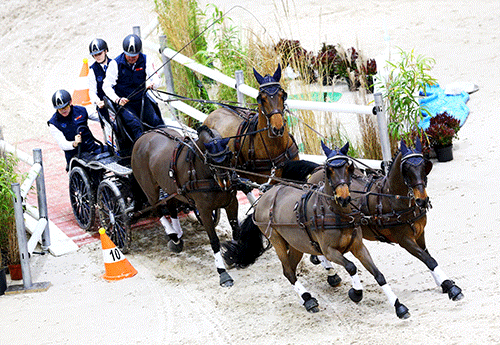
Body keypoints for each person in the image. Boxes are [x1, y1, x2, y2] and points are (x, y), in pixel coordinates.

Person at [103, 34, 165, 142]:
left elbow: (156, 77)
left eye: (135, 55)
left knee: (156, 121)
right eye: (129, 55)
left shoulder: (146, 59)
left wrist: (153, 84)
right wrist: (117, 99)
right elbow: (106, 86)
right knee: (136, 125)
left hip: (141, 99)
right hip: (125, 103)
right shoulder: (115, 64)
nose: (132, 58)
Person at [47, 89, 105, 170]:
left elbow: (99, 117)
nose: (63, 110)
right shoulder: (53, 123)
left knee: (114, 153)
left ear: (70, 102)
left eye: (65, 107)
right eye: (60, 109)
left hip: (92, 148)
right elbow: (62, 144)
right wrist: (74, 144)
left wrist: (105, 110)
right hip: (76, 155)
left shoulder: (82, 110)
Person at [88, 38, 112, 122]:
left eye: (99, 54)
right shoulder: (92, 71)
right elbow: (92, 91)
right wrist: (97, 101)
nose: (97, 57)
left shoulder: (115, 64)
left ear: (105, 51)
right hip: (104, 104)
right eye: (95, 55)